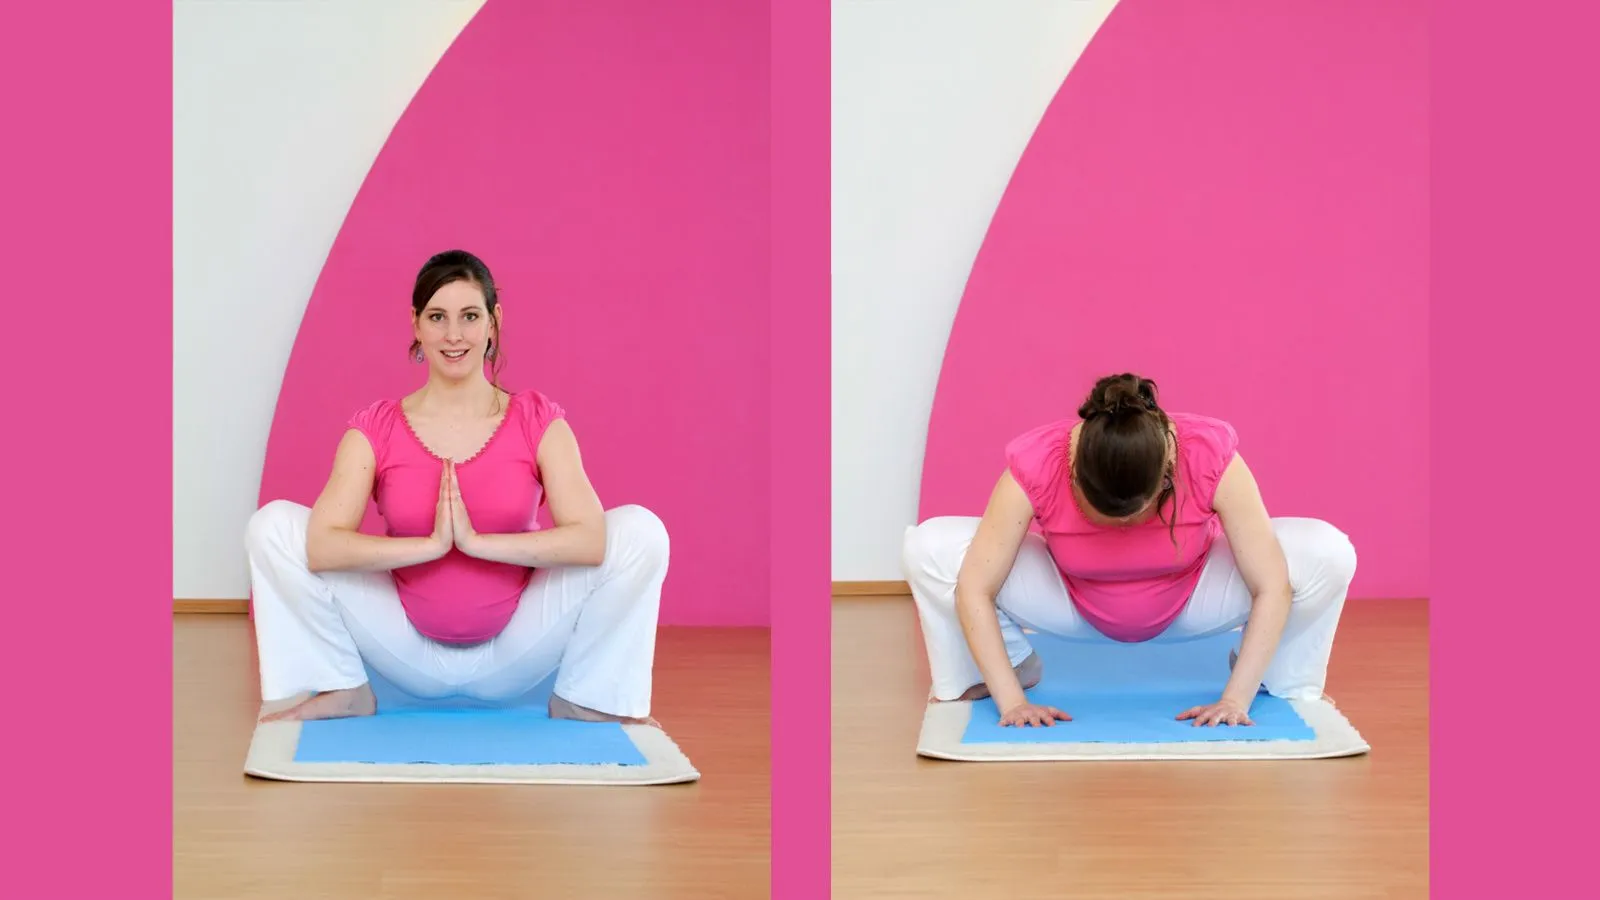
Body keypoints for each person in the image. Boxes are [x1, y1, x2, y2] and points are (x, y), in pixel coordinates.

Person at [245, 250, 668, 726]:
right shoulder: (377, 427)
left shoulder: (537, 420)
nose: (453, 335)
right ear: (415, 323)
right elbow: (321, 546)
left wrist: (476, 544)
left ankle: (585, 697)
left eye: (469, 316)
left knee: (641, 531)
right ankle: (343, 689)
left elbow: (591, 540)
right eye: (437, 317)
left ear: (493, 321)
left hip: (517, 647)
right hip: (404, 646)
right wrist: (429, 547)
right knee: (272, 526)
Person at [902, 373, 1356, 729]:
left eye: (1134, 515)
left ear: (1166, 476)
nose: (1122, 530)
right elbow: (976, 586)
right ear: (1076, 476)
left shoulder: (1206, 451)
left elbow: (1271, 583)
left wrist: (1234, 698)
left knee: (1327, 550)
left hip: (1193, 597)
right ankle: (999, 671)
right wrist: (1013, 701)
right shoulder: (1040, 459)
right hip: (1070, 598)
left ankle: (1275, 677)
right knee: (931, 545)